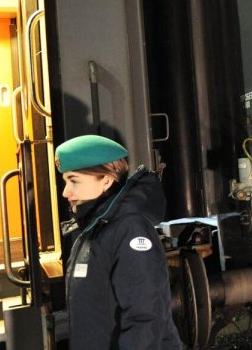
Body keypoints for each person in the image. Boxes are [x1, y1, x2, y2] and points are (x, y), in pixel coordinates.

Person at [56, 134, 182, 349]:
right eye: (65, 181)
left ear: (106, 179)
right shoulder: (94, 228)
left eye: (73, 180)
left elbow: (145, 316)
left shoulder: (130, 229)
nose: (65, 192)